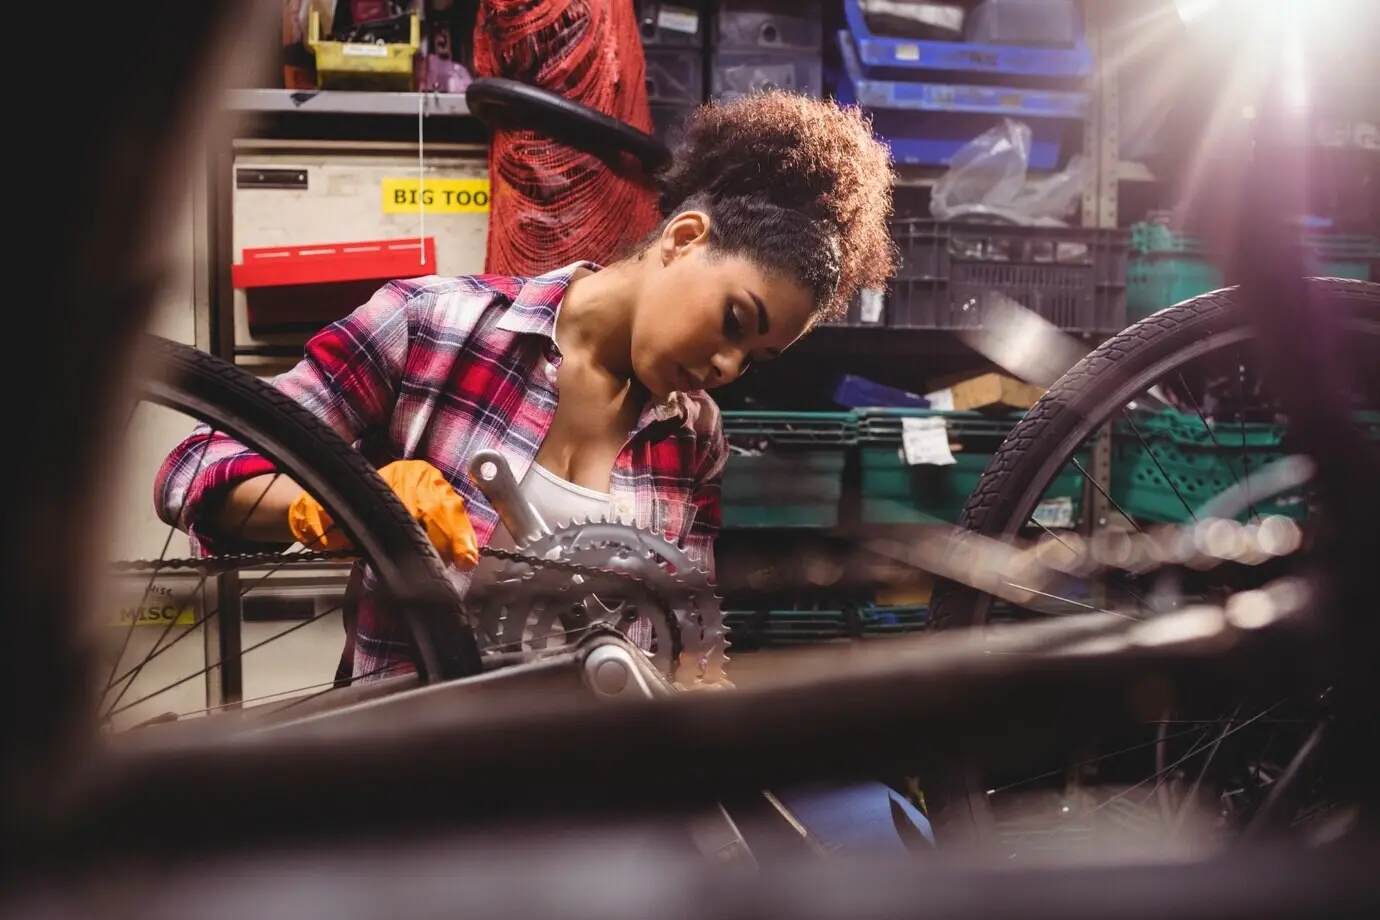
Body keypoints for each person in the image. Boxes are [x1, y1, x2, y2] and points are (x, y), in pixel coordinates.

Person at [154, 89, 897, 685]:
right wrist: (335, 502)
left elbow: (686, 628)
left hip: (588, 797)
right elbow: (194, 468)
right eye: (735, 320)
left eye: (756, 357)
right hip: (408, 776)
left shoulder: (693, 435)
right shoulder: (433, 328)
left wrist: (699, 684)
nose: (731, 368)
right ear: (683, 239)